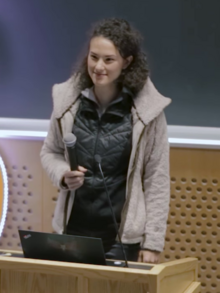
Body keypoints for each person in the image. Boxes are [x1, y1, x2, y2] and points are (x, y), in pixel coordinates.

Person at [40, 18, 171, 263]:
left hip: (121, 239)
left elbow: (157, 179)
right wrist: (62, 174)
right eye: (93, 57)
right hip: (73, 230)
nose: (98, 66)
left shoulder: (148, 111)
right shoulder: (67, 100)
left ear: (127, 62)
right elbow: (50, 152)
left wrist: (152, 242)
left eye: (108, 60)